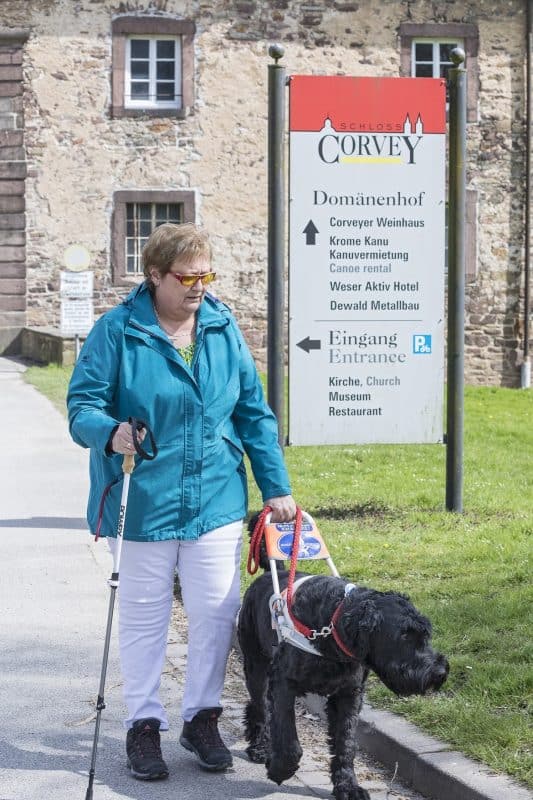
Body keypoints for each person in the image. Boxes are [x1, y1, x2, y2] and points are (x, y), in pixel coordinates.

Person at [67, 222, 296, 780]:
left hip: (214, 494)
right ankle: (144, 725)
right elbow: (82, 406)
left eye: (205, 275)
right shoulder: (118, 331)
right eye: (186, 276)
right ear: (154, 275)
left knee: (215, 615)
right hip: (143, 495)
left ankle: (201, 718)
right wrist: (111, 432)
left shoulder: (220, 327)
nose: (198, 286)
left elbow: (252, 413)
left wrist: (276, 486)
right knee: (145, 618)